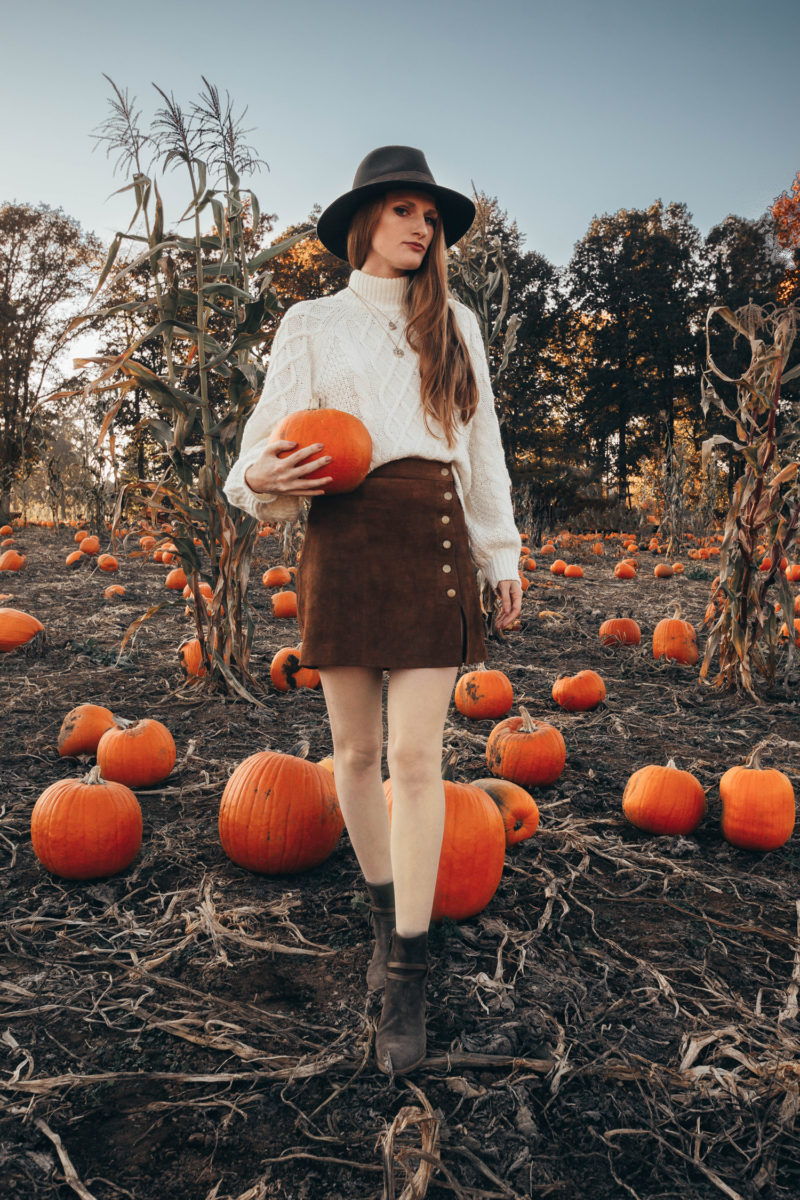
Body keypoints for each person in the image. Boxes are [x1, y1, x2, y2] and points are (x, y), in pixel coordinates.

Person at [224, 146, 522, 1076]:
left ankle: (408, 966)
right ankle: (385, 900)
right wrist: (256, 478)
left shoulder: (456, 325)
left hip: (430, 533)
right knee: (352, 753)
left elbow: (480, 448)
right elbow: (266, 444)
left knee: (416, 755)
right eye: (403, 210)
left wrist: (500, 552)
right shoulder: (310, 324)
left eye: (430, 215)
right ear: (365, 221)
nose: (421, 227)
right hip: (344, 539)